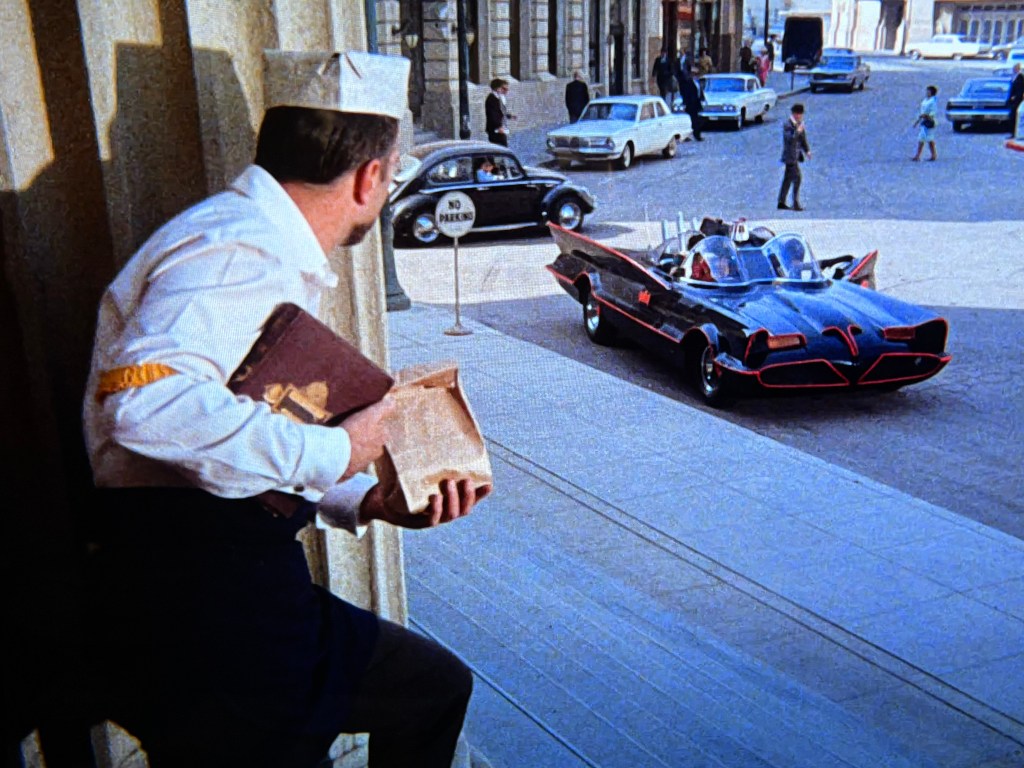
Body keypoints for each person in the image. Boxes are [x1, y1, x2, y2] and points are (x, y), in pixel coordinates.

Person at [81, 50, 490, 768]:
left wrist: (369, 500)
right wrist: (340, 449)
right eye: (393, 177)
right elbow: (143, 406)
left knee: (430, 686)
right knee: (419, 693)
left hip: (218, 579)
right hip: (207, 603)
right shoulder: (240, 249)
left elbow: (233, 426)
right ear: (371, 177)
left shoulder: (247, 239)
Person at [778, 102, 811, 210]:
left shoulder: (799, 124)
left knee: (787, 179)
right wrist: (797, 131)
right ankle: (795, 203)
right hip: (790, 157)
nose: (800, 116)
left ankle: (781, 201)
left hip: (795, 156)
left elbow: (802, 138)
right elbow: (790, 139)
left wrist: (807, 151)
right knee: (797, 178)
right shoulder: (788, 125)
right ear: (795, 114)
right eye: (799, 114)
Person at [912, 84, 939, 161]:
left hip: (929, 121)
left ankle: (918, 155)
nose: (927, 93)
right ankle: (933, 155)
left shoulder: (932, 102)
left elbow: (932, 112)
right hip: (924, 121)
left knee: (923, 138)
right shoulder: (926, 100)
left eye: (928, 91)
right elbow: (922, 111)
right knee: (928, 139)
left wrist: (927, 116)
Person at [485, 78, 514, 146]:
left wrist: (509, 116)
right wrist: (498, 126)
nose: (502, 90)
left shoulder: (498, 97)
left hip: (499, 127)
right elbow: (492, 115)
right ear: (497, 88)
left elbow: (500, 112)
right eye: (501, 88)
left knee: (498, 146)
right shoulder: (492, 99)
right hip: (495, 128)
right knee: (501, 146)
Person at [678, 68, 704, 141]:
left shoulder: (697, 82)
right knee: (693, 121)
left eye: (696, 74)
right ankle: (694, 135)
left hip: (696, 103)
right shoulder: (688, 82)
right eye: (693, 74)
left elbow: (699, 92)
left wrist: (702, 98)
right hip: (691, 104)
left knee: (697, 120)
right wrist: (686, 103)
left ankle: (697, 134)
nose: (695, 75)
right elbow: (686, 93)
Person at [1007, 63, 1024, 136]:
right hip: (1014, 101)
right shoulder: (1015, 77)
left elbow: (1020, 90)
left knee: (1014, 117)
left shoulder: (1020, 78)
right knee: (1012, 117)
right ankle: (1013, 132)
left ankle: (1014, 133)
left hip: (1017, 101)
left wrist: (1015, 97)